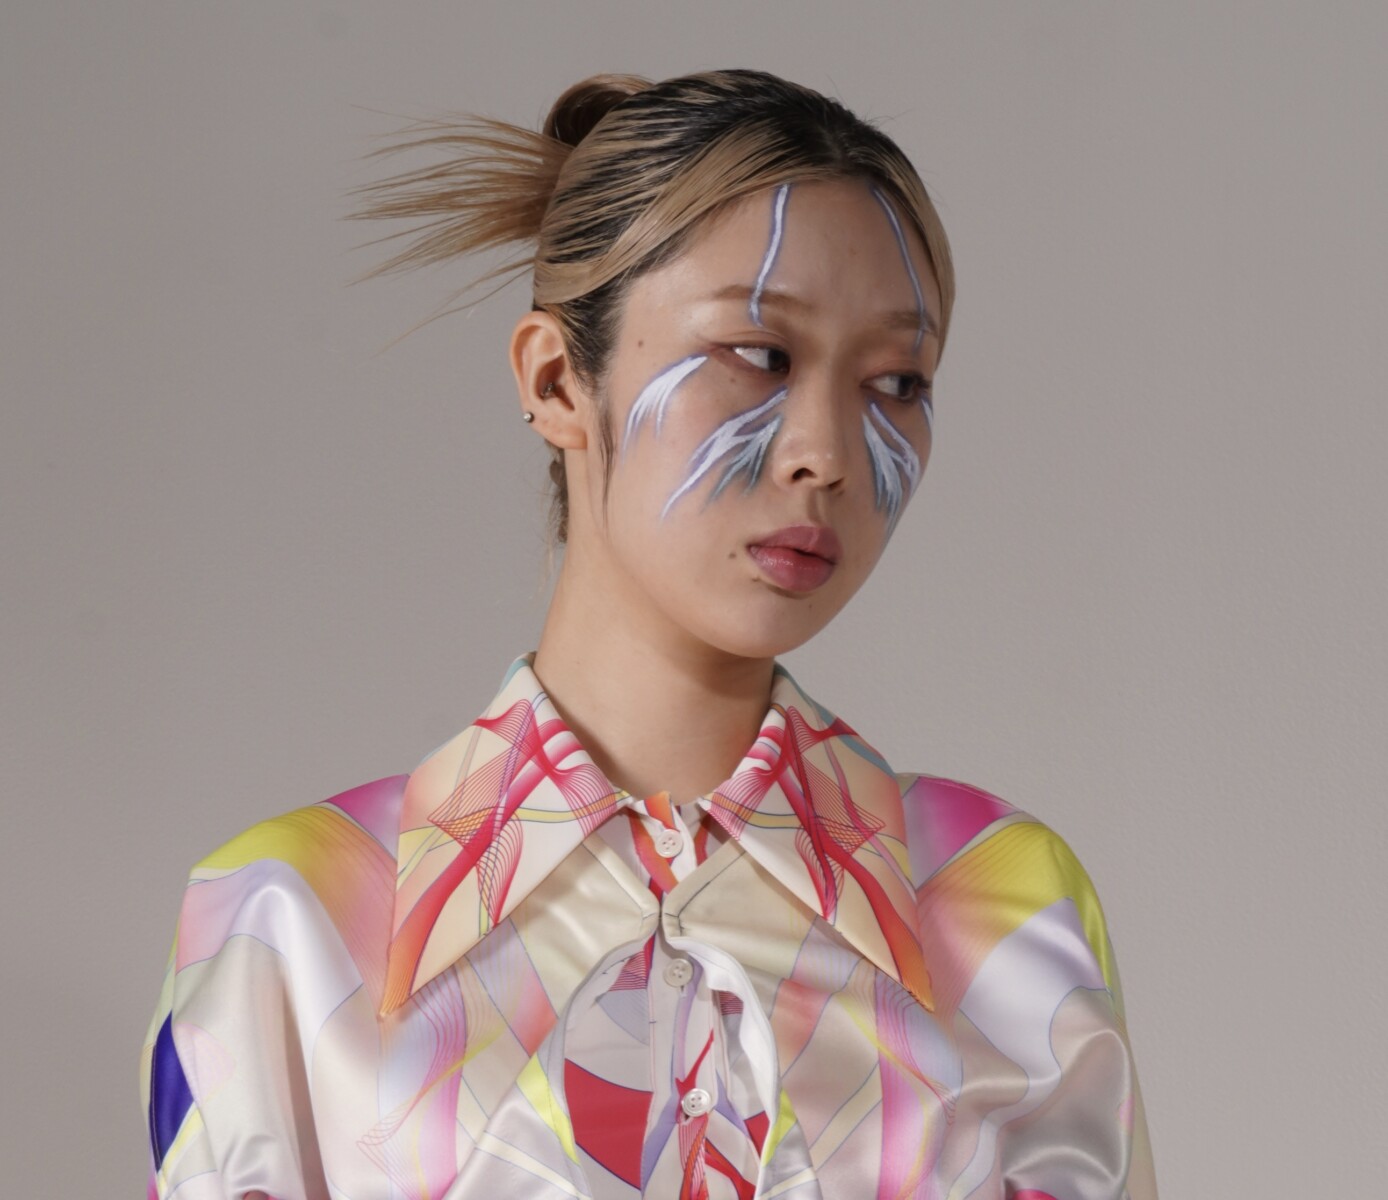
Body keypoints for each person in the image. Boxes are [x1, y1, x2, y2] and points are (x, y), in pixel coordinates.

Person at [139, 68, 1157, 1200]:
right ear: (554, 379)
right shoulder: (290, 922)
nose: (826, 451)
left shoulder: (998, 908)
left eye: (896, 381)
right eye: (760, 356)